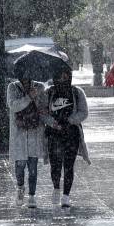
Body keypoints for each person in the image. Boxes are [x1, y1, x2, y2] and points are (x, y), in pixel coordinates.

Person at [43, 67, 89, 208]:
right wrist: (53, 123)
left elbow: (84, 112)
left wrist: (70, 121)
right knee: (55, 165)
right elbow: (43, 112)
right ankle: (56, 187)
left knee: (69, 166)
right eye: (59, 77)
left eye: (65, 76)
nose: (62, 80)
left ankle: (66, 196)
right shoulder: (48, 92)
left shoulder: (77, 92)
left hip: (71, 134)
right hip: (54, 134)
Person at [7, 71, 47, 208]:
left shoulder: (40, 87)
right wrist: (29, 97)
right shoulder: (12, 87)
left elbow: (43, 108)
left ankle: (32, 195)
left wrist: (37, 99)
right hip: (19, 133)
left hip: (35, 131)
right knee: (20, 165)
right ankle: (20, 188)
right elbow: (13, 106)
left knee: (33, 166)